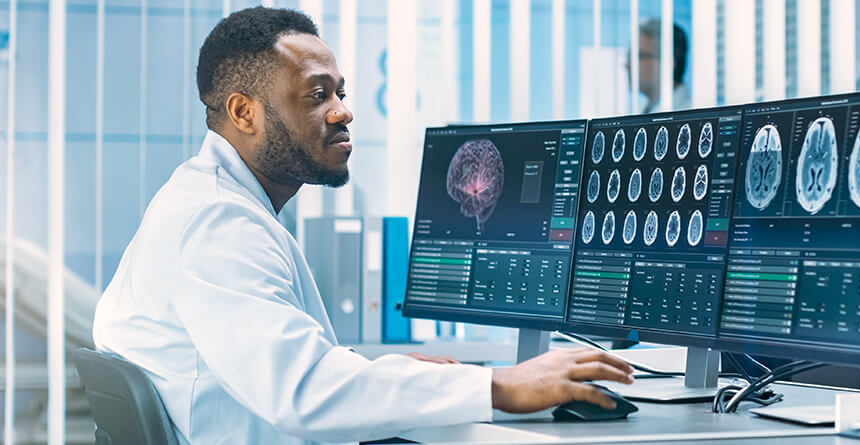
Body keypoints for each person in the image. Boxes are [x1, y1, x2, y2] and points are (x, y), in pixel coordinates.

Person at [92, 7, 633, 445]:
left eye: (341, 93)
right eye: (316, 94)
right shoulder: (217, 223)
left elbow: (272, 359)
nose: (342, 112)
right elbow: (301, 390)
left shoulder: (211, 201)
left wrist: (380, 372)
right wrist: (500, 385)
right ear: (244, 112)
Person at [626, 19, 692, 113]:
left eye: (639, 56)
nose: (627, 64)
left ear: (668, 64)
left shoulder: (689, 114)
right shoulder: (645, 110)